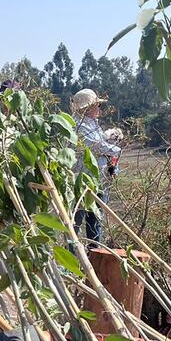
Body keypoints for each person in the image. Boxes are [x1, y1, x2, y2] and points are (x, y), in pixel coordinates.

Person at [70, 88, 121, 246]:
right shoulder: (78, 126)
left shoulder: (94, 124)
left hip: (99, 180)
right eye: (96, 105)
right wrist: (116, 149)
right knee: (76, 221)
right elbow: (94, 146)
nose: (99, 109)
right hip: (83, 182)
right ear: (87, 108)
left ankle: (93, 257)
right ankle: (69, 261)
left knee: (95, 221)